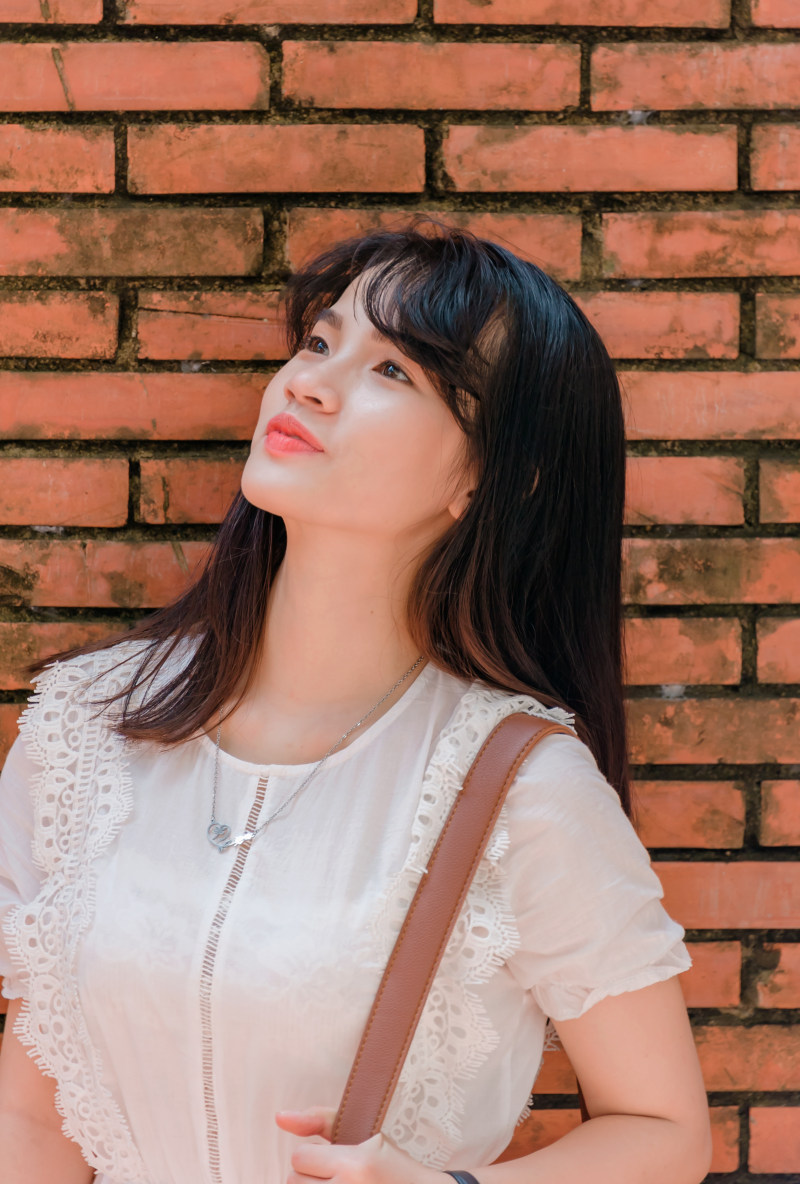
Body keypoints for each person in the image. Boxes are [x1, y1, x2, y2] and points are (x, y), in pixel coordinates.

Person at [0, 221, 712, 1184]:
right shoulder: (88, 725)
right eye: (321, 342)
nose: (307, 382)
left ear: (487, 476)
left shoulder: (520, 786)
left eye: (395, 373)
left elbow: (665, 1129)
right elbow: (33, 1119)